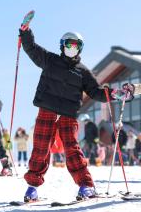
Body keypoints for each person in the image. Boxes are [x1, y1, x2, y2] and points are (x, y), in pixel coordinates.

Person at [18, 21, 133, 202]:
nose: (72, 48)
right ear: (62, 46)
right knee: (41, 148)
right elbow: (31, 48)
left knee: (72, 150)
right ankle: (32, 188)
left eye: (76, 45)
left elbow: (96, 92)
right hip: (47, 110)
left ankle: (85, 186)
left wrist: (115, 94)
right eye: (68, 45)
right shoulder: (50, 59)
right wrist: (25, 32)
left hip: (68, 115)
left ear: (80, 49)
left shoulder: (83, 72)